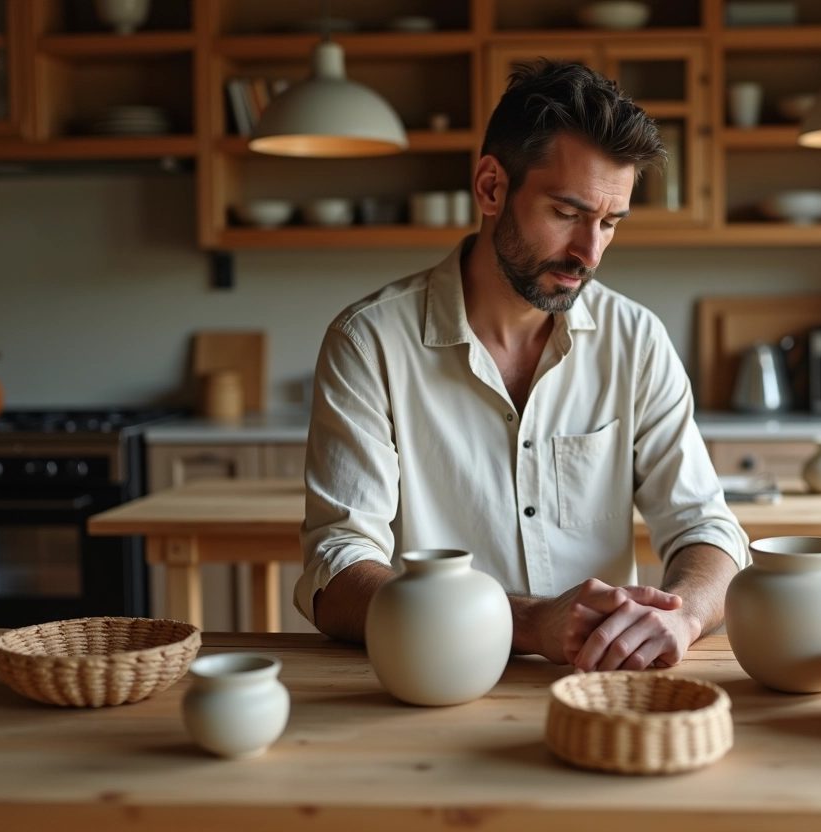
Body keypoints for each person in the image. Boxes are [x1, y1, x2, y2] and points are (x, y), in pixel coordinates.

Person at [297, 59, 748, 673]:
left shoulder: (636, 339)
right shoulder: (369, 342)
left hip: (601, 691)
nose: (589, 254)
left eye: (609, 223)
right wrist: (528, 623)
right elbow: (336, 570)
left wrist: (684, 614)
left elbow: (707, 529)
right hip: (430, 684)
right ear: (490, 187)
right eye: (567, 213)